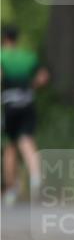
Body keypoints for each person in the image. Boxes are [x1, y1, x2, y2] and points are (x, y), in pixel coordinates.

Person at [1, 25, 50, 204]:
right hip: (28, 102)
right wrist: (30, 86)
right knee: (28, 141)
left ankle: (12, 188)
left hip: (10, 103)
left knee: (10, 146)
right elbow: (43, 77)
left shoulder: (2, 56)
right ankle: (36, 177)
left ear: (4, 38)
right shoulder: (28, 57)